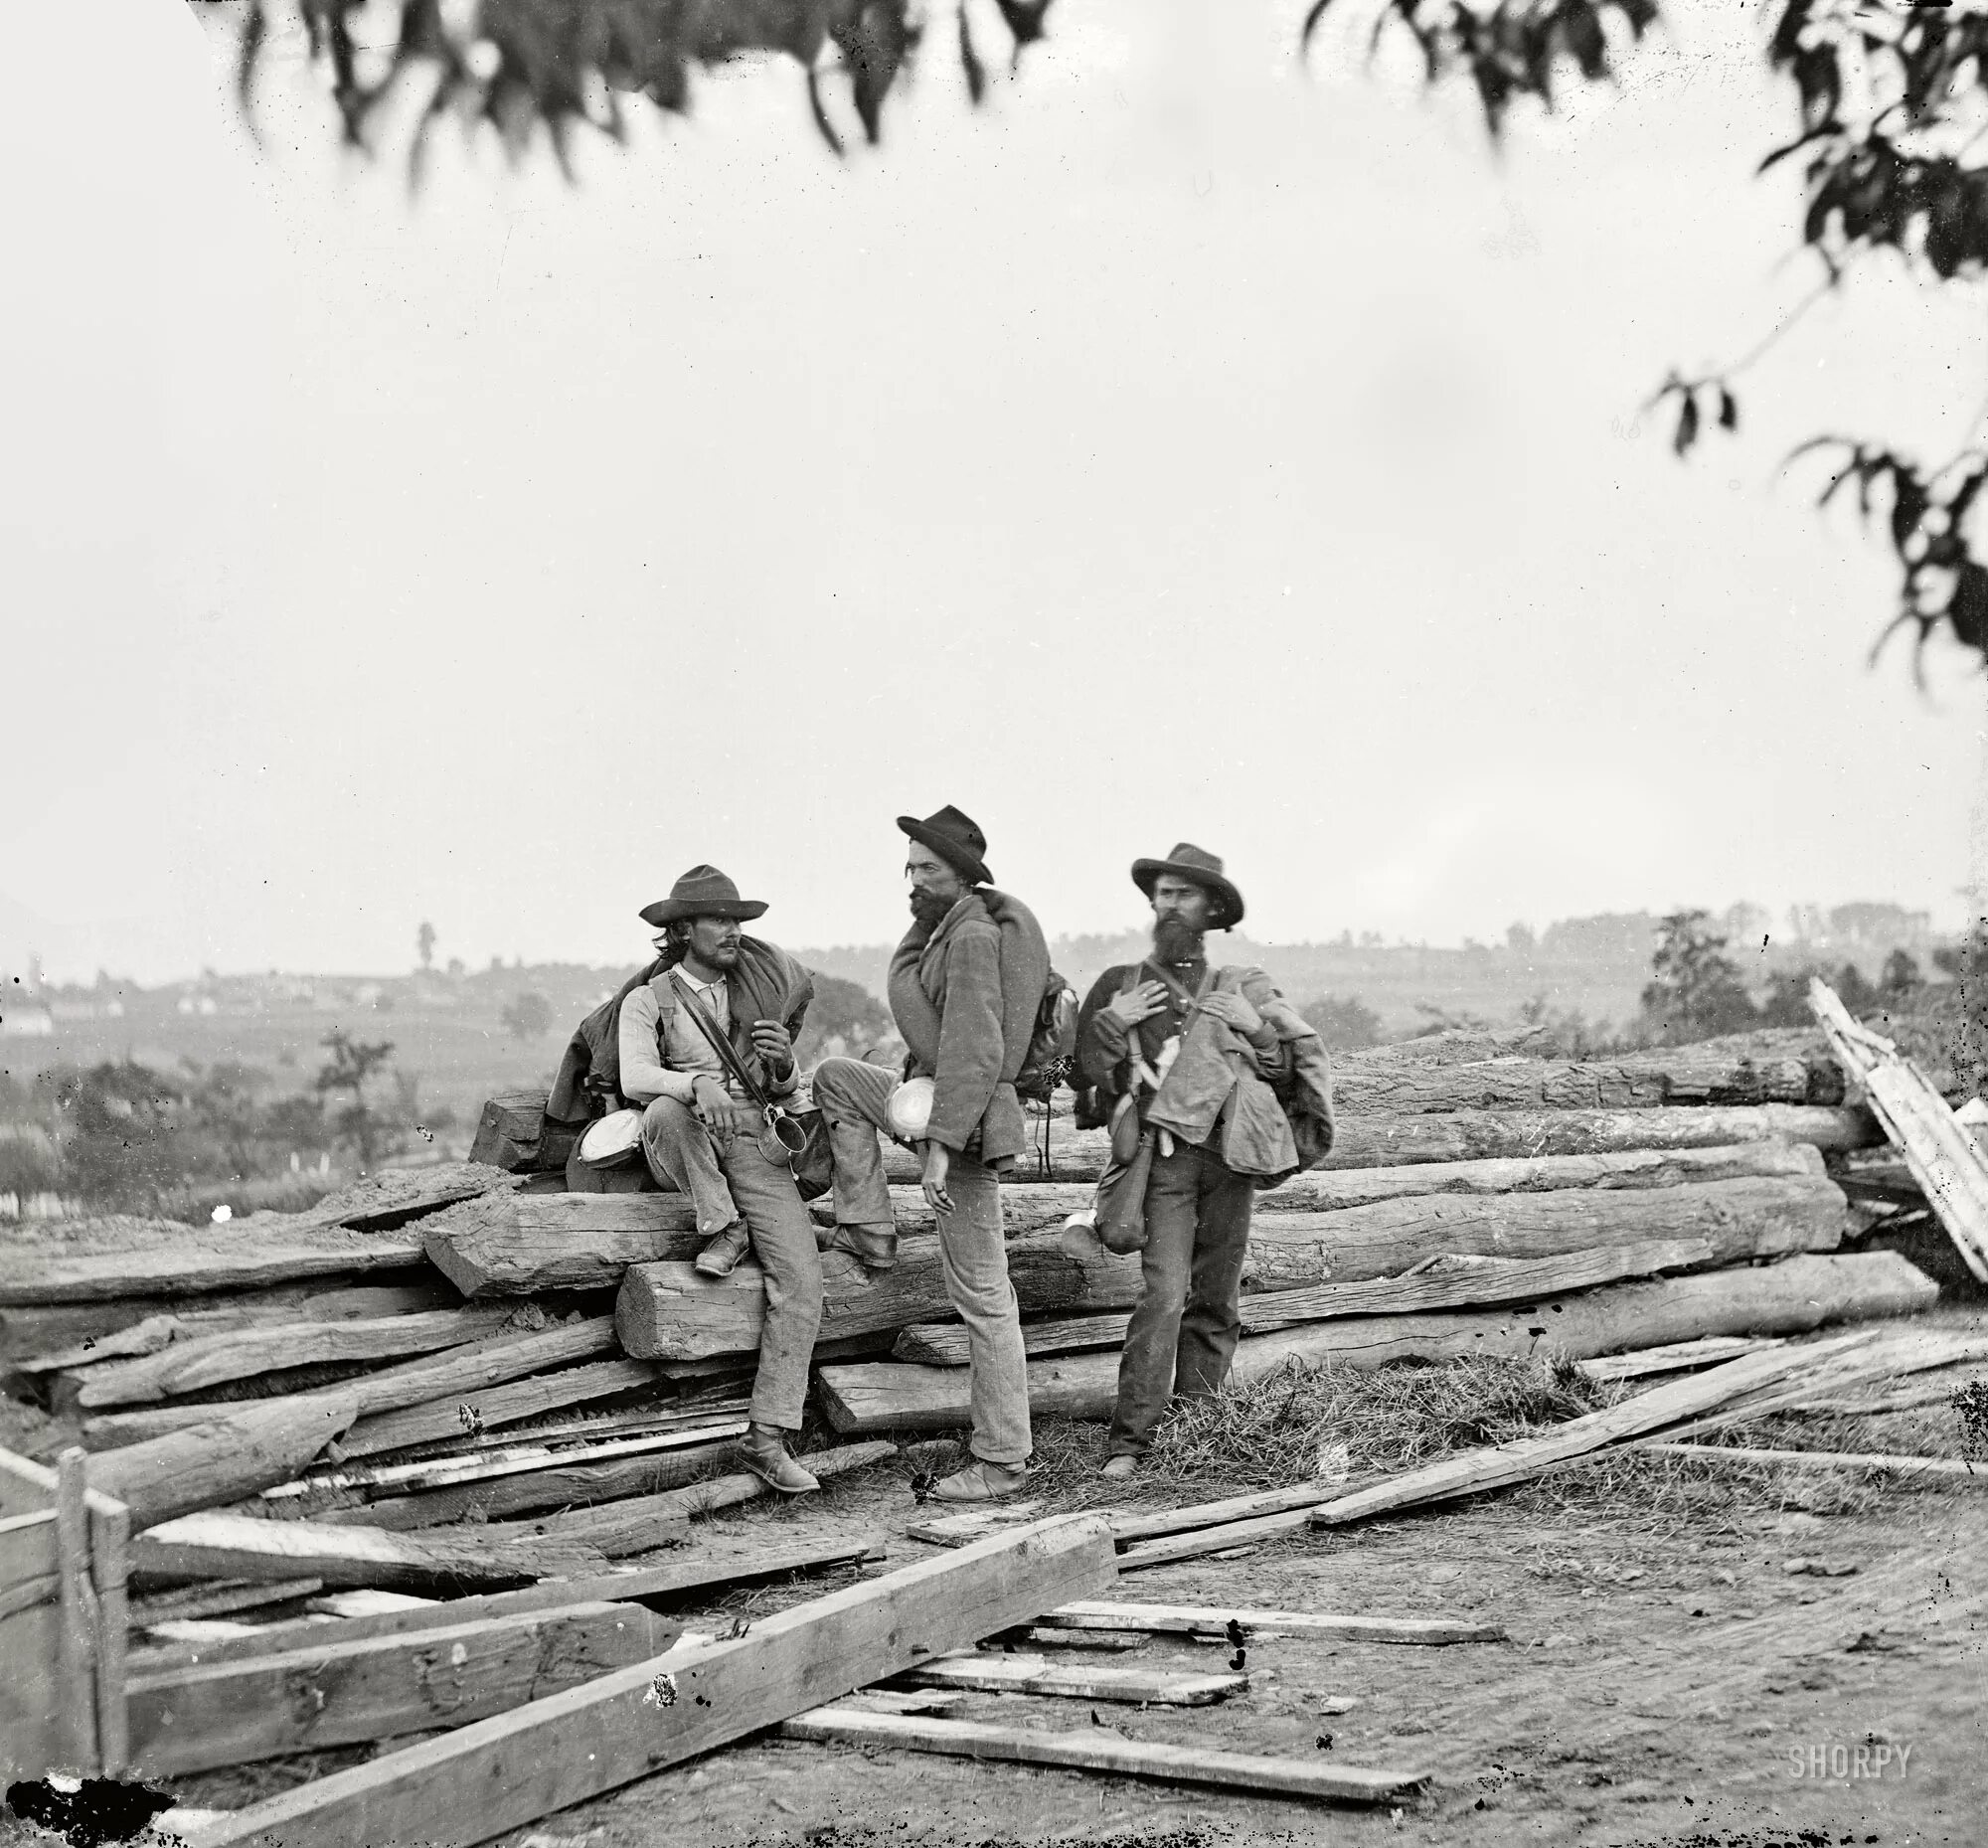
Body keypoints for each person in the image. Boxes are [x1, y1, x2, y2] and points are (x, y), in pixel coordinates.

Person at [1075, 843, 1334, 1479]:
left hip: (1230, 1160)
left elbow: (1281, 1073)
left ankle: (1202, 1433)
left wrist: (1260, 1029)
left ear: (1212, 910)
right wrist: (1109, 1024)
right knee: (1163, 1296)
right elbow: (1083, 1081)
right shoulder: (1120, 985)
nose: (1170, 904)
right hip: (1159, 1165)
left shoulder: (1244, 986)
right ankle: (1130, 1443)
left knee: (1216, 1298)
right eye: (1162, 892)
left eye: (1184, 894)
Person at [811, 806, 1046, 1502]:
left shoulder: (972, 935)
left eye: (928, 868)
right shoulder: (942, 927)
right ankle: (869, 1226)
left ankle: (1002, 1460)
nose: (913, 879)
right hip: (935, 1099)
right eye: (909, 867)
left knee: (982, 1294)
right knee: (836, 1078)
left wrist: (939, 1152)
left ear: (964, 874)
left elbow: (977, 1050)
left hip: (965, 1121)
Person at [616, 865, 825, 1495]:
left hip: (753, 1140)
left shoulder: (755, 994)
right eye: (719, 920)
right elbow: (634, 1077)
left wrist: (785, 1068)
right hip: (687, 1138)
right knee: (664, 1109)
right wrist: (694, 1082)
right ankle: (723, 1223)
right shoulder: (649, 999)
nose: (734, 931)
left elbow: (781, 1088)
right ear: (683, 930)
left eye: (738, 920)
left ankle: (767, 1438)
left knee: (802, 1276)